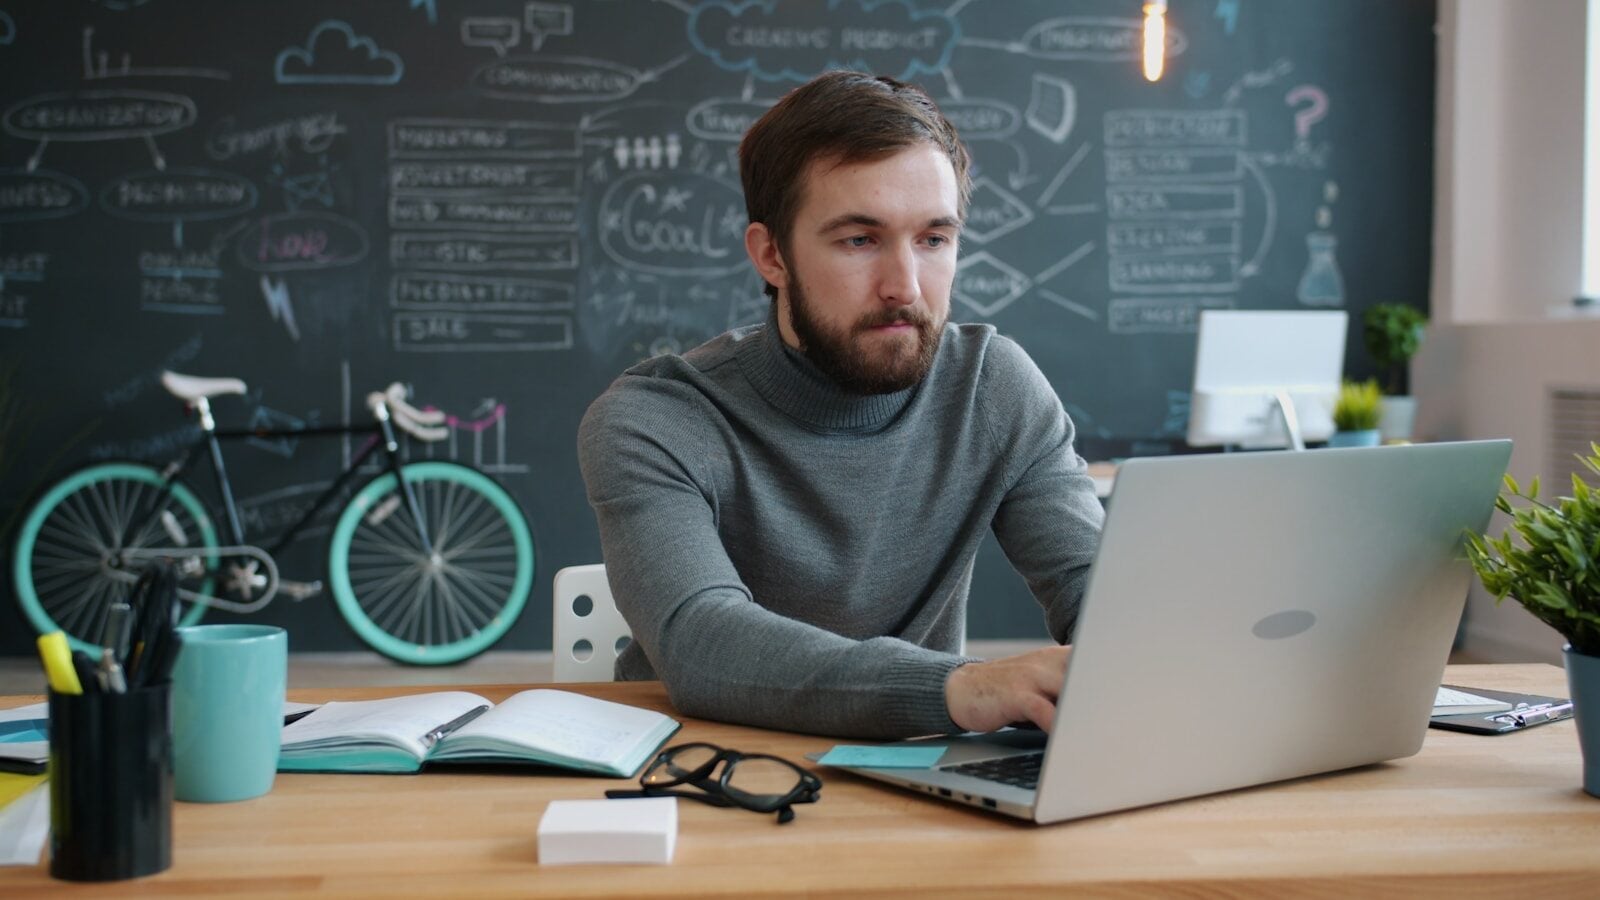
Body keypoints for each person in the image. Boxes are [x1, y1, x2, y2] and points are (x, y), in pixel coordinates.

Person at [578, 71, 1104, 739]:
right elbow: (700, 641)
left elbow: (1103, 599)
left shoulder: (993, 389)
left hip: (914, 777)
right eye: (860, 240)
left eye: (934, 239)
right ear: (771, 254)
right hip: (701, 776)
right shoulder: (656, 419)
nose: (905, 286)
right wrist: (958, 688)